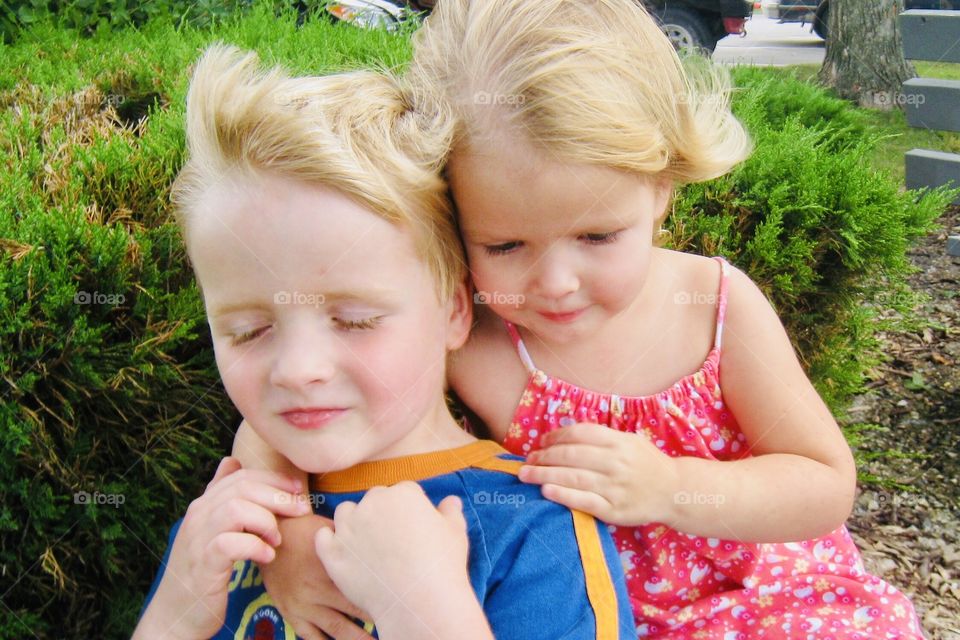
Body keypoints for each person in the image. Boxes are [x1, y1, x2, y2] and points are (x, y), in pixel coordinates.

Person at [239, 0, 926, 638]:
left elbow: (824, 482)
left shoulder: (715, 307)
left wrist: (672, 488)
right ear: (453, 219)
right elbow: (282, 412)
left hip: (768, 599)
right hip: (569, 612)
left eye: (598, 237)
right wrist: (290, 543)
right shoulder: (467, 327)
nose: (557, 284)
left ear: (660, 188)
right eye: (504, 246)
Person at [132, 44, 637, 640]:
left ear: (453, 308)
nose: (297, 370)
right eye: (249, 330)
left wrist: (425, 612)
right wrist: (173, 614)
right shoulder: (224, 527)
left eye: (355, 320)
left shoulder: (531, 530)